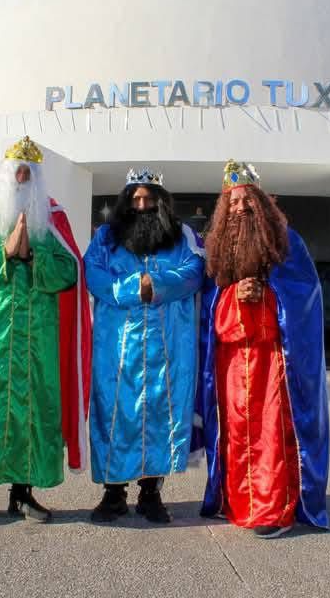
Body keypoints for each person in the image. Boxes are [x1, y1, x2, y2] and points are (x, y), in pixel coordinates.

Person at [0, 136, 91, 526]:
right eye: (16, 171)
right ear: (3, 173)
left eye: (29, 173)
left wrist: (32, 255)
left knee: (31, 410)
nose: (22, 177)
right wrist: (4, 254)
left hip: (35, 337)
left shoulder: (50, 216)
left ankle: (23, 493)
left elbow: (70, 269)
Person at [196, 160, 330, 539]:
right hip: (230, 357)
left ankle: (272, 509)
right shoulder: (218, 246)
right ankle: (237, 501)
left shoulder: (288, 241)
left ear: (260, 201)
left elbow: (305, 294)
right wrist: (234, 297)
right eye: (232, 203)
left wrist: (267, 295)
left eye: (246, 201)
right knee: (235, 431)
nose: (240, 208)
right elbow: (207, 304)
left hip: (273, 356)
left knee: (271, 432)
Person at [84, 168, 205, 524]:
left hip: (168, 345)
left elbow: (195, 271)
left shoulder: (182, 235)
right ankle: (113, 493)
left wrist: (159, 283)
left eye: (149, 198)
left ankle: (151, 492)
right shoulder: (106, 237)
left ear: (160, 201)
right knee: (115, 415)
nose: (142, 205)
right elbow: (94, 275)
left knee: (162, 414)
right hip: (117, 345)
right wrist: (136, 287)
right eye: (135, 199)